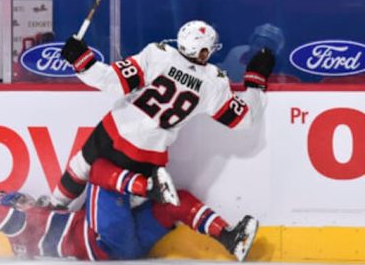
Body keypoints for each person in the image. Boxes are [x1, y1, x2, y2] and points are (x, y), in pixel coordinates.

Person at [52, 20, 274, 209]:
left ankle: (55, 205)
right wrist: (255, 82)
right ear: (203, 52)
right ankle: (146, 188)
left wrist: (81, 61)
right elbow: (243, 119)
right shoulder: (214, 83)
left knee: (82, 165)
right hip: (151, 151)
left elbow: (113, 81)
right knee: (125, 201)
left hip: (116, 130)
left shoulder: (158, 55)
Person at [0, 158, 258, 261]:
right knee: (100, 170)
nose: (30, 201)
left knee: (174, 203)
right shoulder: (23, 228)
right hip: (99, 242)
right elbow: (5, 217)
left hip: (128, 248)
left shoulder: (34, 227)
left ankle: (230, 238)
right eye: (21, 200)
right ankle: (148, 187)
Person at [219, 23, 284, 83]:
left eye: (266, 47)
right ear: (251, 42)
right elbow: (223, 72)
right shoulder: (236, 53)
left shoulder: (275, 69)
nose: (260, 49)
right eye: (258, 44)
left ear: (274, 52)